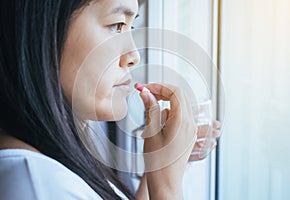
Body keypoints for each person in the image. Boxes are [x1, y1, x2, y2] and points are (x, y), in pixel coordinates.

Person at [0, 0, 220, 199]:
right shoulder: (37, 185)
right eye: (117, 25)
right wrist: (167, 189)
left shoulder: (54, 168)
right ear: (42, 32)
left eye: (130, 27)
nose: (134, 56)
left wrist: (160, 168)